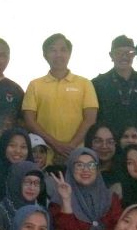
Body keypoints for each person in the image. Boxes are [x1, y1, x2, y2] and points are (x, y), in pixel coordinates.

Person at [21, 33, 99, 163]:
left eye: (63, 50)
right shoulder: (35, 85)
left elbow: (90, 119)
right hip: (43, 156)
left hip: (77, 155)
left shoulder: (85, 83)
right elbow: (29, 120)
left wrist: (70, 147)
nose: (58, 54)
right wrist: (55, 145)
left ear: (69, 54)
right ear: (45, 55)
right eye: (53, 50)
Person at [51, 147, 123, 230]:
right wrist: (67, 201)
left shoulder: (110, 197)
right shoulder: (58, 200)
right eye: (79, 165)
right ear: (70, 168)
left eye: (91, 165)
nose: (86, 169)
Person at [92, 35, 137, 147]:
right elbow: (94, 119)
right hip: (109, 148)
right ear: (111, 55)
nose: (124, 56)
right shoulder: (99, 84)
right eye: (119, 52)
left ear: (134, 55)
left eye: (129, 52)